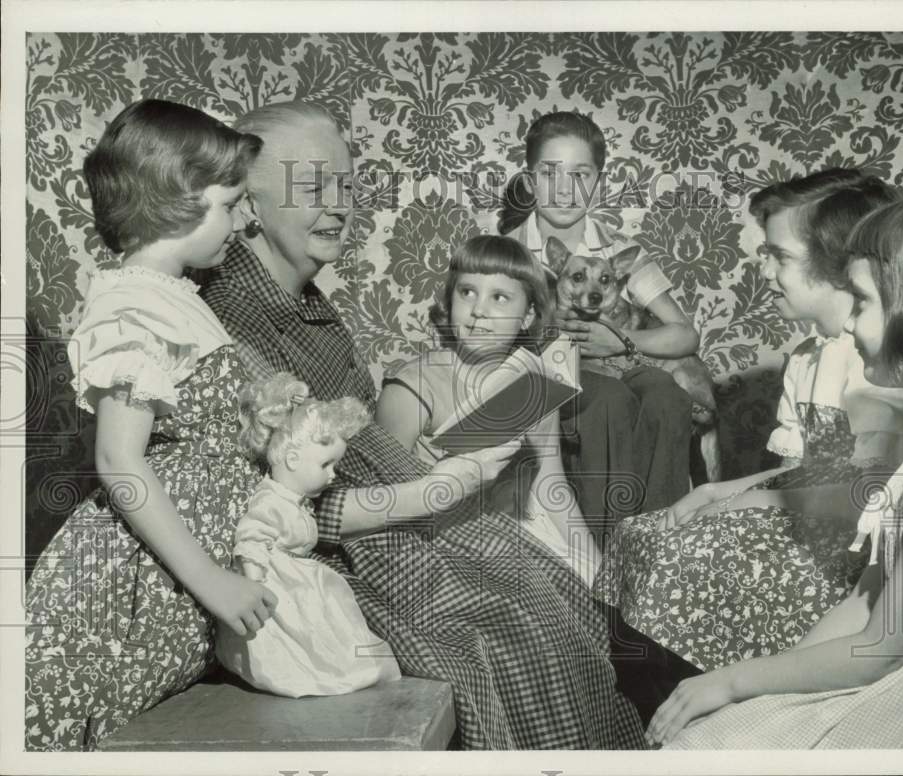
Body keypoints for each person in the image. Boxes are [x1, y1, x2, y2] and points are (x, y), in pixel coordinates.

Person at [198, 101, 647, 749]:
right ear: (248, 203)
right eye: (313, 184)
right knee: (518, 635)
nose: (339, 204)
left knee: (560, 596)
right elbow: (269, 507)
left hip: (402, 525)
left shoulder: (307, 307)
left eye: (347, 186)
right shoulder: (233, 320)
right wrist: (434, 491)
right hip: (327, 560)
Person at [650, 193, 903, 749]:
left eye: (863, 303)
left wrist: (731, 682)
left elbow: (881, 646)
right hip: (884, 650)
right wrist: (764, 687)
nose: (847, 324)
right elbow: (867, 599)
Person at [595, 169, 903, 675]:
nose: (764, 269)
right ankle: (657, 703)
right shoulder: (809, 355)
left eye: (780, 256)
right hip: (806, 517)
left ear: (840, 267)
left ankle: (708, 694)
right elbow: (801, 469)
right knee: (641, 532)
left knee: (680, 560)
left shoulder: (874, 367)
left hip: (850, 558)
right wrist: (714, 492)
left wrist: (749, 501)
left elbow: (869, 495)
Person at [24, 99, 274, 750]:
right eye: (229, 203)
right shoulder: (133, 304)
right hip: (129, 586)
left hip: (173, 578)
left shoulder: (175, 297)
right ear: (180, 198)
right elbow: (120, 460)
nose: (242, 221)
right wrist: (213, 580)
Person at [499, 110, 699, 542]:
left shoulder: (621, 251)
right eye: (551, 174)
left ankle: (657, 548)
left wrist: (619, 342)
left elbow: (685, 334)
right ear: (531, 181)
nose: (566, 190)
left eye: (581, 175)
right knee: (608, 400)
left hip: (615, 364)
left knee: (666, 396)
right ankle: (603, 552)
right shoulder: (506, 251)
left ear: (597, 182)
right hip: (546, 382)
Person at [377, 234, 601, 585]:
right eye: (467, 292)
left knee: (593, 602)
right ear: (449, 301)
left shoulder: (534, 383)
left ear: (527, 315)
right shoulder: (413, 387)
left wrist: (597, 572)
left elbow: (551, 485)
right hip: (439, 541)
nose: (479, 309)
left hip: (522, 525)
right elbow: (381, 504)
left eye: (499, 297)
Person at [215, 373, 401, 697]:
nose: (332, 476)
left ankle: (338, 666)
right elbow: (252, 535)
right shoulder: (271, 500)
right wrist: (254, 579)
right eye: (326, 465)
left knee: (328, 624)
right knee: (298, 637)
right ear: (292, 458)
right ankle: (310, 671)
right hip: (277, 586)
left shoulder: (295, 502)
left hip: (300, 580)